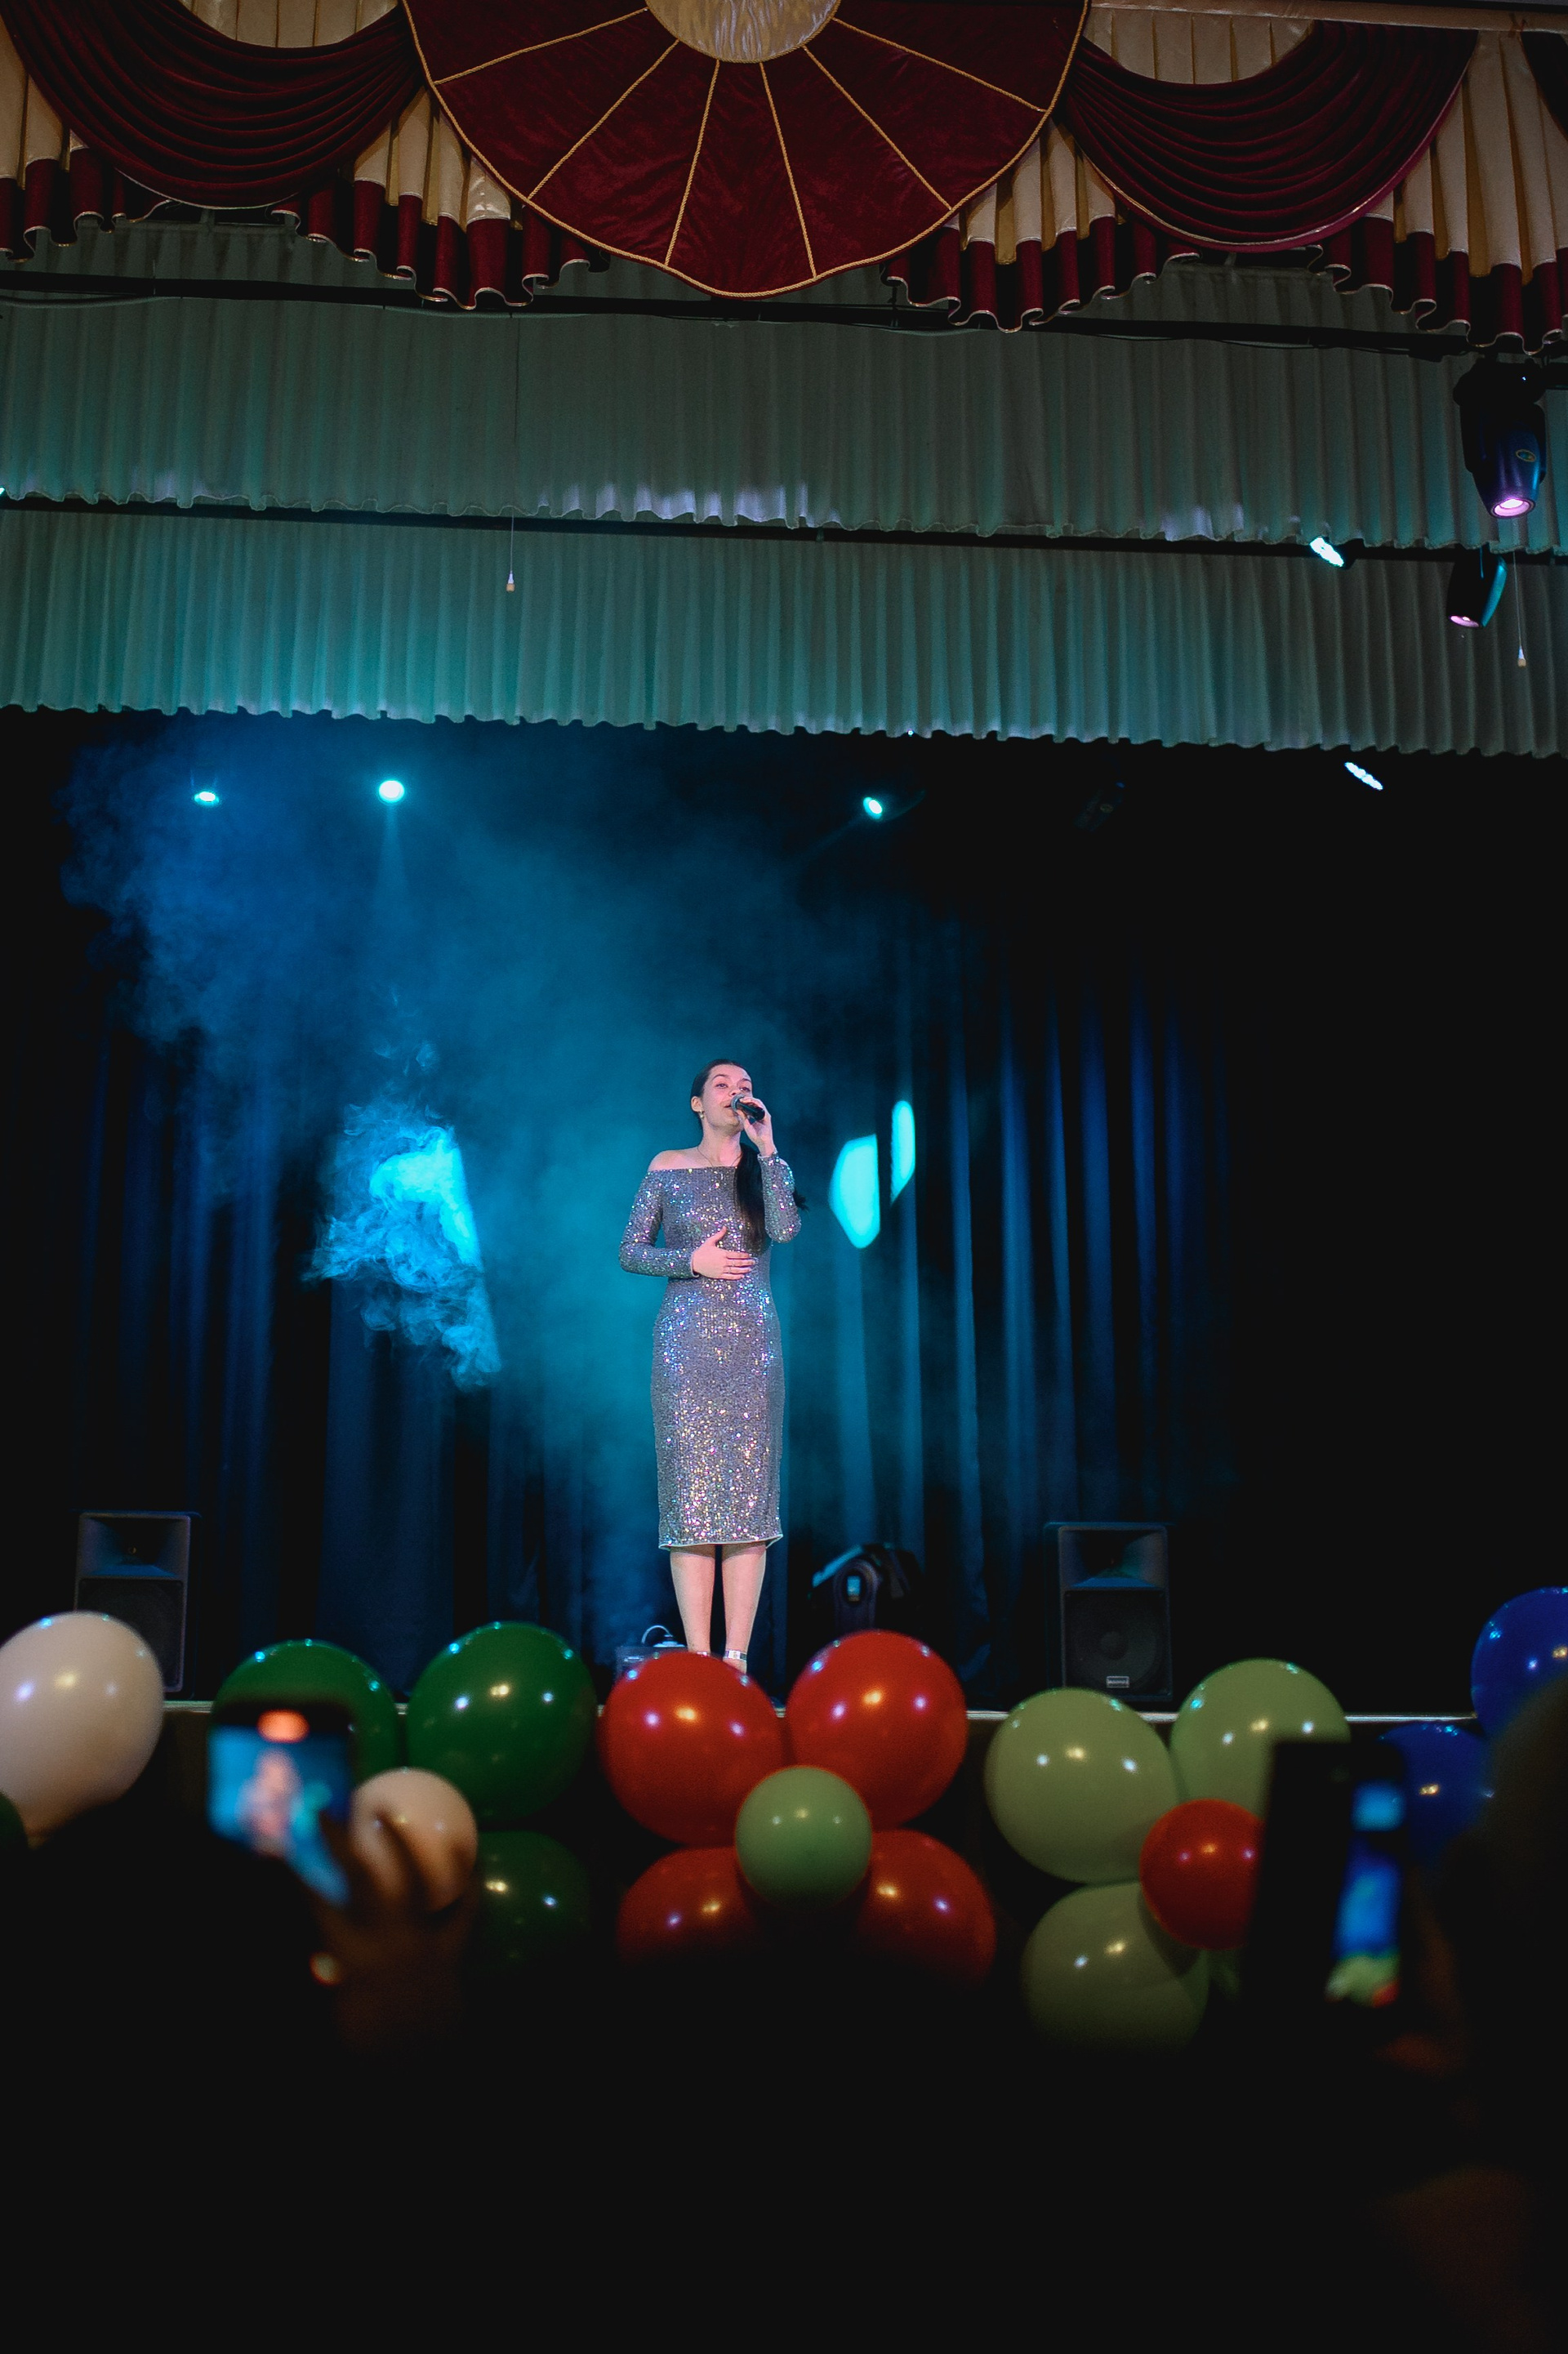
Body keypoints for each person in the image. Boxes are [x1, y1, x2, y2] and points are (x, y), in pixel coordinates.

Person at [619, 1060, 802, 1674]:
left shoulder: (763, 1167)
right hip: (686, 1347)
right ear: (698, 1102)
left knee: (748, 1504)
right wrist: (689, 1261)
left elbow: (786, 1229)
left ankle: (736, 1660)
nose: (737, 1092)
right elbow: (630, 1251)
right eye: (723, 1085)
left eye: (745, 1085)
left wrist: (768, 1149)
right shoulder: (667, 1165)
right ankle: (699, 1660)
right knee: (693, 1503)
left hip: (752, 1348)